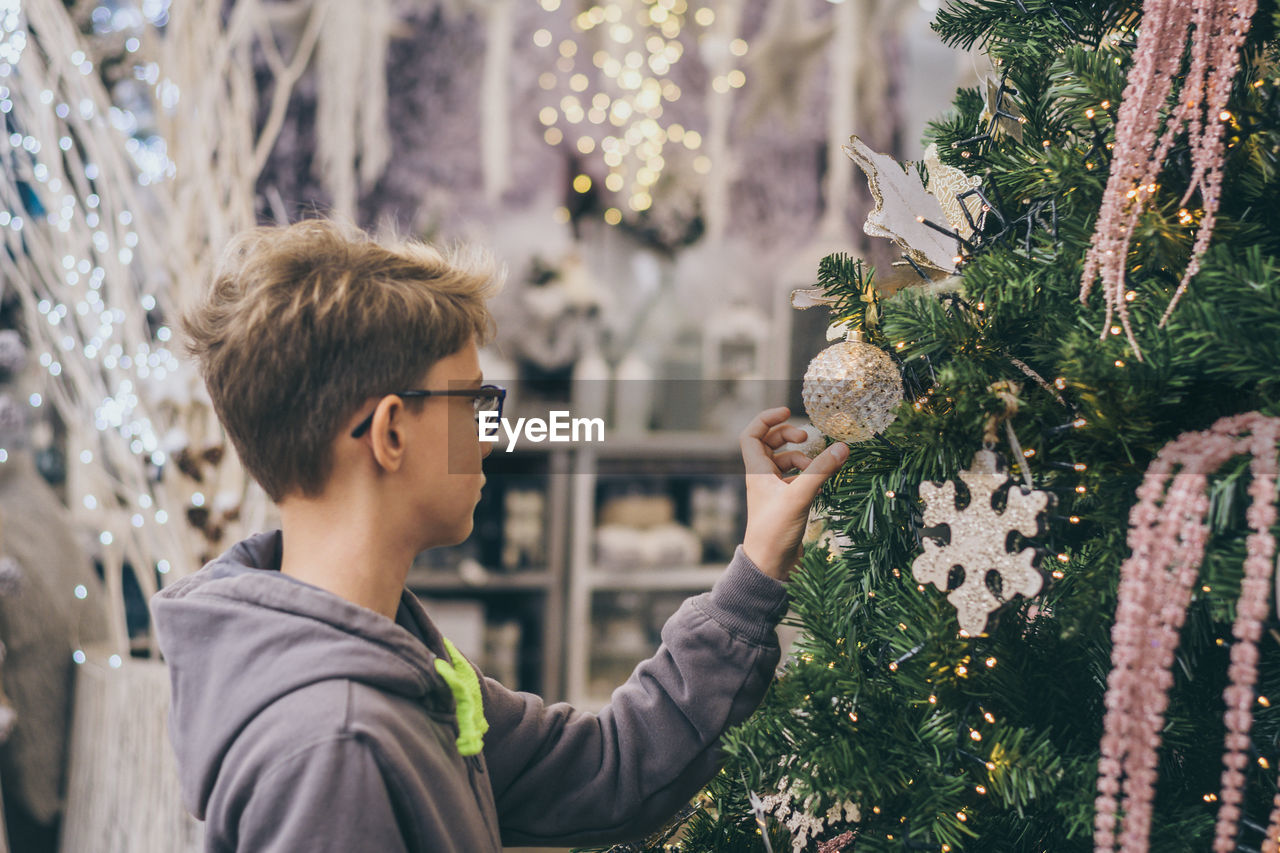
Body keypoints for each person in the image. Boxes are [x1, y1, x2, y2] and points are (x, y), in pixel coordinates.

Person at [151, 219, 849, 852]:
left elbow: (607, 767)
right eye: (474, 401)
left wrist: (757, 563)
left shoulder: (394, 658)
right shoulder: (336, 746)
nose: (493, 436)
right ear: (391, 431)